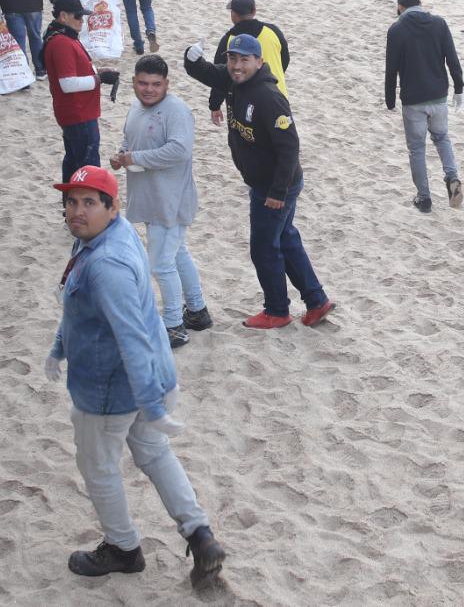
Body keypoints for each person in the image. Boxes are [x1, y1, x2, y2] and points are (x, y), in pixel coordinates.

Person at [44, 165, 226, 587]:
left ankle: (124, 549)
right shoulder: (113, 234)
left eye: (89, 202)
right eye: (71, 201)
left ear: (113, 206)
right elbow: (79, 311)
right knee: (156, 454)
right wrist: (58, 348)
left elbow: (131, 337)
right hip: (148, 379)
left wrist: (150, 402)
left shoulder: (106, 266)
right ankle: (200, 535)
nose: (77, 211)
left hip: (114, 390)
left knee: (98, 467)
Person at [183, 34, 333, 329]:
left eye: (244, 60)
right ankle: (317, 301)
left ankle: (277, 310)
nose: (237, 66)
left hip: (277, 186)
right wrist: (191, 57)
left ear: (259, 62)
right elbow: (205, 72)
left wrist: (278, 192)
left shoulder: (268, 98)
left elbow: (290, 147)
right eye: (232, 58)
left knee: (263, 248)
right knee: (285, 239)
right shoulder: (233, 78)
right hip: (267, 183)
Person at [109, 55, 210, 348]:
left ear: (167, 84)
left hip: (172, 200)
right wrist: (122, 154)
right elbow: (131, 139)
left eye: (156, 84)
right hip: (152, 197)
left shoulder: (176, 111)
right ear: (134, 82)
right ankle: (198, 311)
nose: (149, 89)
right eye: (143, 83)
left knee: (160, 265)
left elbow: (180, 150)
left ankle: (174, 326)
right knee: (177, 254)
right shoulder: (136, 107)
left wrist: (136, 158)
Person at [385, 0, 464, 212]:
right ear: (420, 2)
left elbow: (391, 69)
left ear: (400, 6)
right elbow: (452, 58)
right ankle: (452, 177)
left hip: (413, 100)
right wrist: (459, 88)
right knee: (442, 138)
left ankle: (424, 198)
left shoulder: (396, 29)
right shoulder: (439, 24)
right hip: (439, 96)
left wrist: (390, 99)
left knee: (417, 149)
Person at [42, 0, 120, 182]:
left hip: (76, 113)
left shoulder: (62, 36)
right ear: (63, 16)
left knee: (73, 161)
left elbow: (72, 74)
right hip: (79, 114)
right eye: (77, 16)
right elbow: (67, 84)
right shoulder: (62, 43)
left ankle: (70, 204)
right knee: (87, 167)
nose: (82, 20)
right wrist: (99, 78)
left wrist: (97, 72)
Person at [207, 0, 288, 125]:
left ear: (233, 15)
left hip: (245, 105)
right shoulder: (274, 32)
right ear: (254, 11)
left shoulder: (228, 40)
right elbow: (285, 60)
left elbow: (219, 77)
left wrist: (215, 105)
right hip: (278, 98)